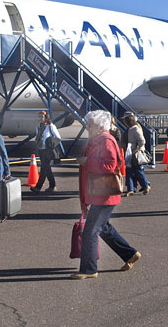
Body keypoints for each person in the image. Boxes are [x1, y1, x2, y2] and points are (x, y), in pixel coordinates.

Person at [74, 110, 140, 279]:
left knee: (91, 231)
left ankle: (89, 269)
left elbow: (110, 165)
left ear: (100, 126)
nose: (87, 126)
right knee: (103, 228)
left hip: (104, 194)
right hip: (99, 192)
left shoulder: (106, 141)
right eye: (88, 123)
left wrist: (87, 162)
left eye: (90, 124)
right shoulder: (97, 140)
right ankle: (129, 254)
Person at [122, 112, 151, 197]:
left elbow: (142, 140)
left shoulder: (135, 129)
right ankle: (131, 189)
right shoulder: (130, 129)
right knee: (130, 171)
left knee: (138, 170)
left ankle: (145, 186)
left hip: (135, 153)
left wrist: (137, 148)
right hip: (130, 152)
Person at [31, 110, 60, 194]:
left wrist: (50, 142)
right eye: (39, 116)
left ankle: (51, 185)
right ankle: (39, 187)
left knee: (46, 167)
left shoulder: (51, 126)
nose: (40, 118)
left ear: (46, 117)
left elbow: (58, 137)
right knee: (44, 168)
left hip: (47, 149)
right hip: (40, 149)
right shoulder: (38, 127)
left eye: (41, 116)